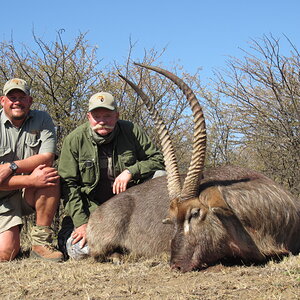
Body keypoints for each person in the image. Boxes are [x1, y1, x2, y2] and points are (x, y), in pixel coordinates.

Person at [58, 91, 165, 259]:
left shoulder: (131, 131)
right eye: (96, 116)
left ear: (117, 116)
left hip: (129, 210)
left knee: (161, 176)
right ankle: (67, 236)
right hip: (93, 212)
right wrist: (81, 223)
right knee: (79, 251)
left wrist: (131, 171)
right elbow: (68, 185)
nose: (102, 121)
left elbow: (159, 160)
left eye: (107, 116)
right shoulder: (74, 140)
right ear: (88, 117)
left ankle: (158, 230)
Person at [0, 78, 63, 261]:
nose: (17, 101)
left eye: (22, 97)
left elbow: (47, 157)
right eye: (12, 97)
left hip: (23, 194)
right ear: (3, 100)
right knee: (6, 253)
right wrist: (30, 179)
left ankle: (40, 243)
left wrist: (12, 167)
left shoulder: (42, 119)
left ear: (30, 101)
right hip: (2, 200)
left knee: (50, 176)